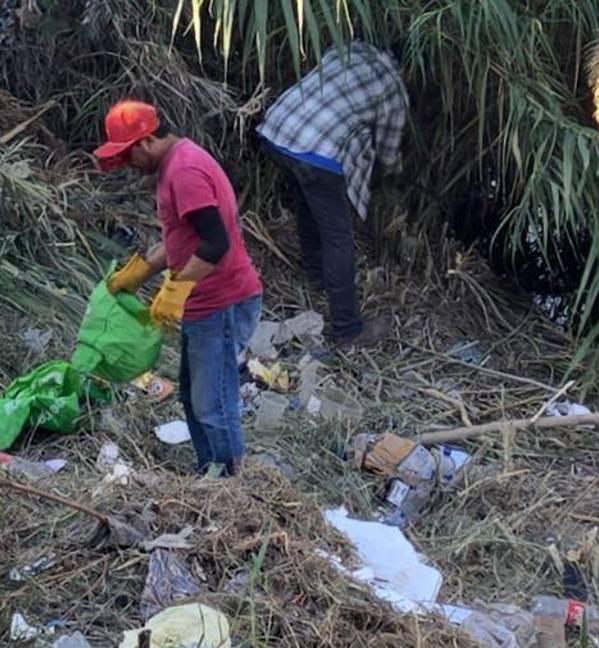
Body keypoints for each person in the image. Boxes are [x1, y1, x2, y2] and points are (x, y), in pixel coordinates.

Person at [95, 100, 262, 476]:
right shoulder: (176, 164)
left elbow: (215, 243)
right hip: (206, 303)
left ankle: (232, 485)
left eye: (127, 155)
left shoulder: (184, 171)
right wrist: (138, 272)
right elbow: (182, 239)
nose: (128, 165)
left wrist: (176, 288)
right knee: (194, 396)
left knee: (212, 404)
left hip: (223, 301)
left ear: (146, 141)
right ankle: (211, 473)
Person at [257, 40, 409, 347]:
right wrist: (392, 177)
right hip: (315, 153)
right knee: (338, 236)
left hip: (276, 129)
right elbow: (389, 152)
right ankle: (348, 330)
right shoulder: (393, 87)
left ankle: (315, 276)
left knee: (307, 201)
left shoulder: (349, 48)